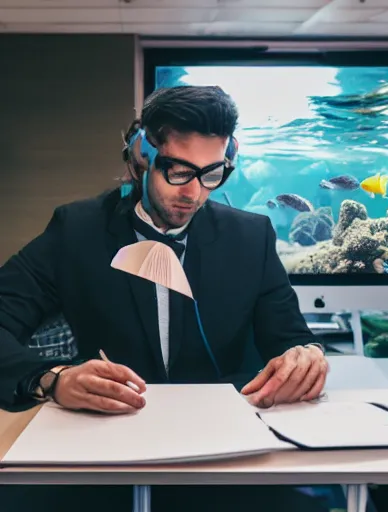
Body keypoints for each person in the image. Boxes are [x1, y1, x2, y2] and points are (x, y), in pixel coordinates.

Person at [0, 85, 330, 512]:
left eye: (212, 174)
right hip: (107, 458)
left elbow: (290, 339)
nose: (194, 193)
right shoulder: (75, 230)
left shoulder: (252, 237)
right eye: (177, 171)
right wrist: (53, 379)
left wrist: (306, 355)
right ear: (142, 154)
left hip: (230, 464)